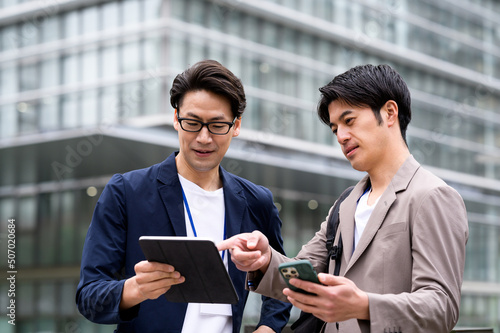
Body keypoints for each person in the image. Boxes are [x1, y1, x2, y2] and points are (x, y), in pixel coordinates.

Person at [218, 64, 469, 333]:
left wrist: (364, 306)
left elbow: (441, 307)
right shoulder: (347, 203)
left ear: (389, 113)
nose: (341, 136)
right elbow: (303, 275)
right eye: (335, 128)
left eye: (349, 121)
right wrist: (263, 259)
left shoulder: (432, 196)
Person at [76, 59, 291, 333]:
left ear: (236, 126)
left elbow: (282, 279)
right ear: (176, 119)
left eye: (217, 125)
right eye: (192, 122)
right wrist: (134, 289)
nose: (203, 138)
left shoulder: (256, 200)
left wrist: (268, 328)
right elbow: (89, 296)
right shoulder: (126, 192)